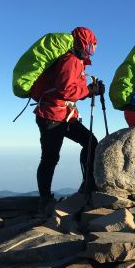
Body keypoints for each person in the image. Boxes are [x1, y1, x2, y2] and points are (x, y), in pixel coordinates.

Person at [31, 27, 104, 215]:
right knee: (50, 157)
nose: (91, 50)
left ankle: (87, 184)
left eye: (93, 47)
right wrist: (90, 90)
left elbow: (71, 90)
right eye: (90, 46)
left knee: (89, 142)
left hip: (64, 115)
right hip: (52, 116)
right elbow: (65, 90)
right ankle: (45, 199)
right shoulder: (70, 60)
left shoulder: (77, 62)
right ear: (82, 43)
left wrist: (90, 89)